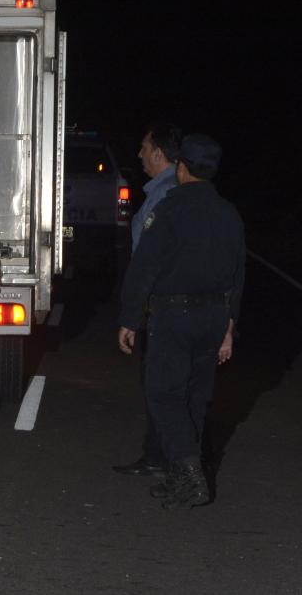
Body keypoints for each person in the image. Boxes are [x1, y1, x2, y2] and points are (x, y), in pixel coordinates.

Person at [117, 133, 243, 509]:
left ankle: (189, 473)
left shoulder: (171, 209)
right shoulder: (228, 213)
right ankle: (178, 478)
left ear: (182, 168)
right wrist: (230, 327)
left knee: (164, 394)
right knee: (196, 397)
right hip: (214, 316)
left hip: (174, 315)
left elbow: (144, 268)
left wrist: (129, 318)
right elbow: (238, 274)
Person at [113, 122, 182, 477]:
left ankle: (168, 460)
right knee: (158, 385)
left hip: (164, 307)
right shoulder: (163, 191)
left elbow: (151, 258)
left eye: (143, 147)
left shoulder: (168, 194)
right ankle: (159, 455)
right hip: (161, 304)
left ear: (159, 153)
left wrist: (136, 309)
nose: (138, 154)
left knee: (161, 386)